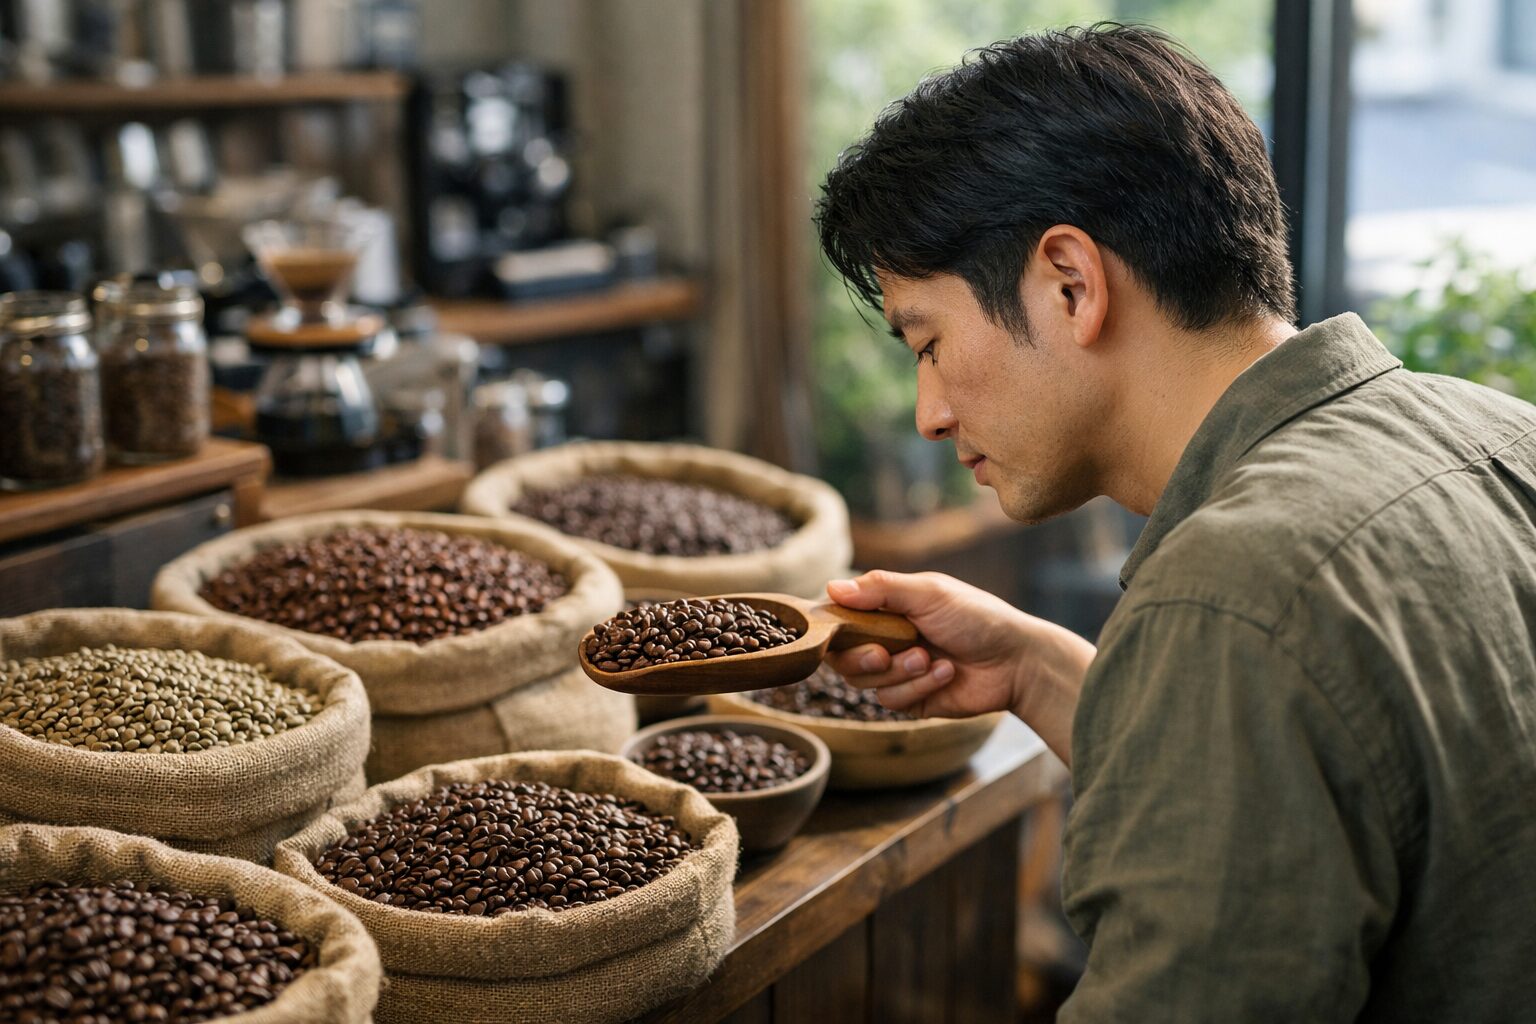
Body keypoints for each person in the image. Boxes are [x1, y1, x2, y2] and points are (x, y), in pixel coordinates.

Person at [813, 22, 1536, 1023]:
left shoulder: (1232, 597)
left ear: (1071, 283)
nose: (929, 413)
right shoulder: (1499, 431)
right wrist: (1036, 670)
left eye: (928, 343)